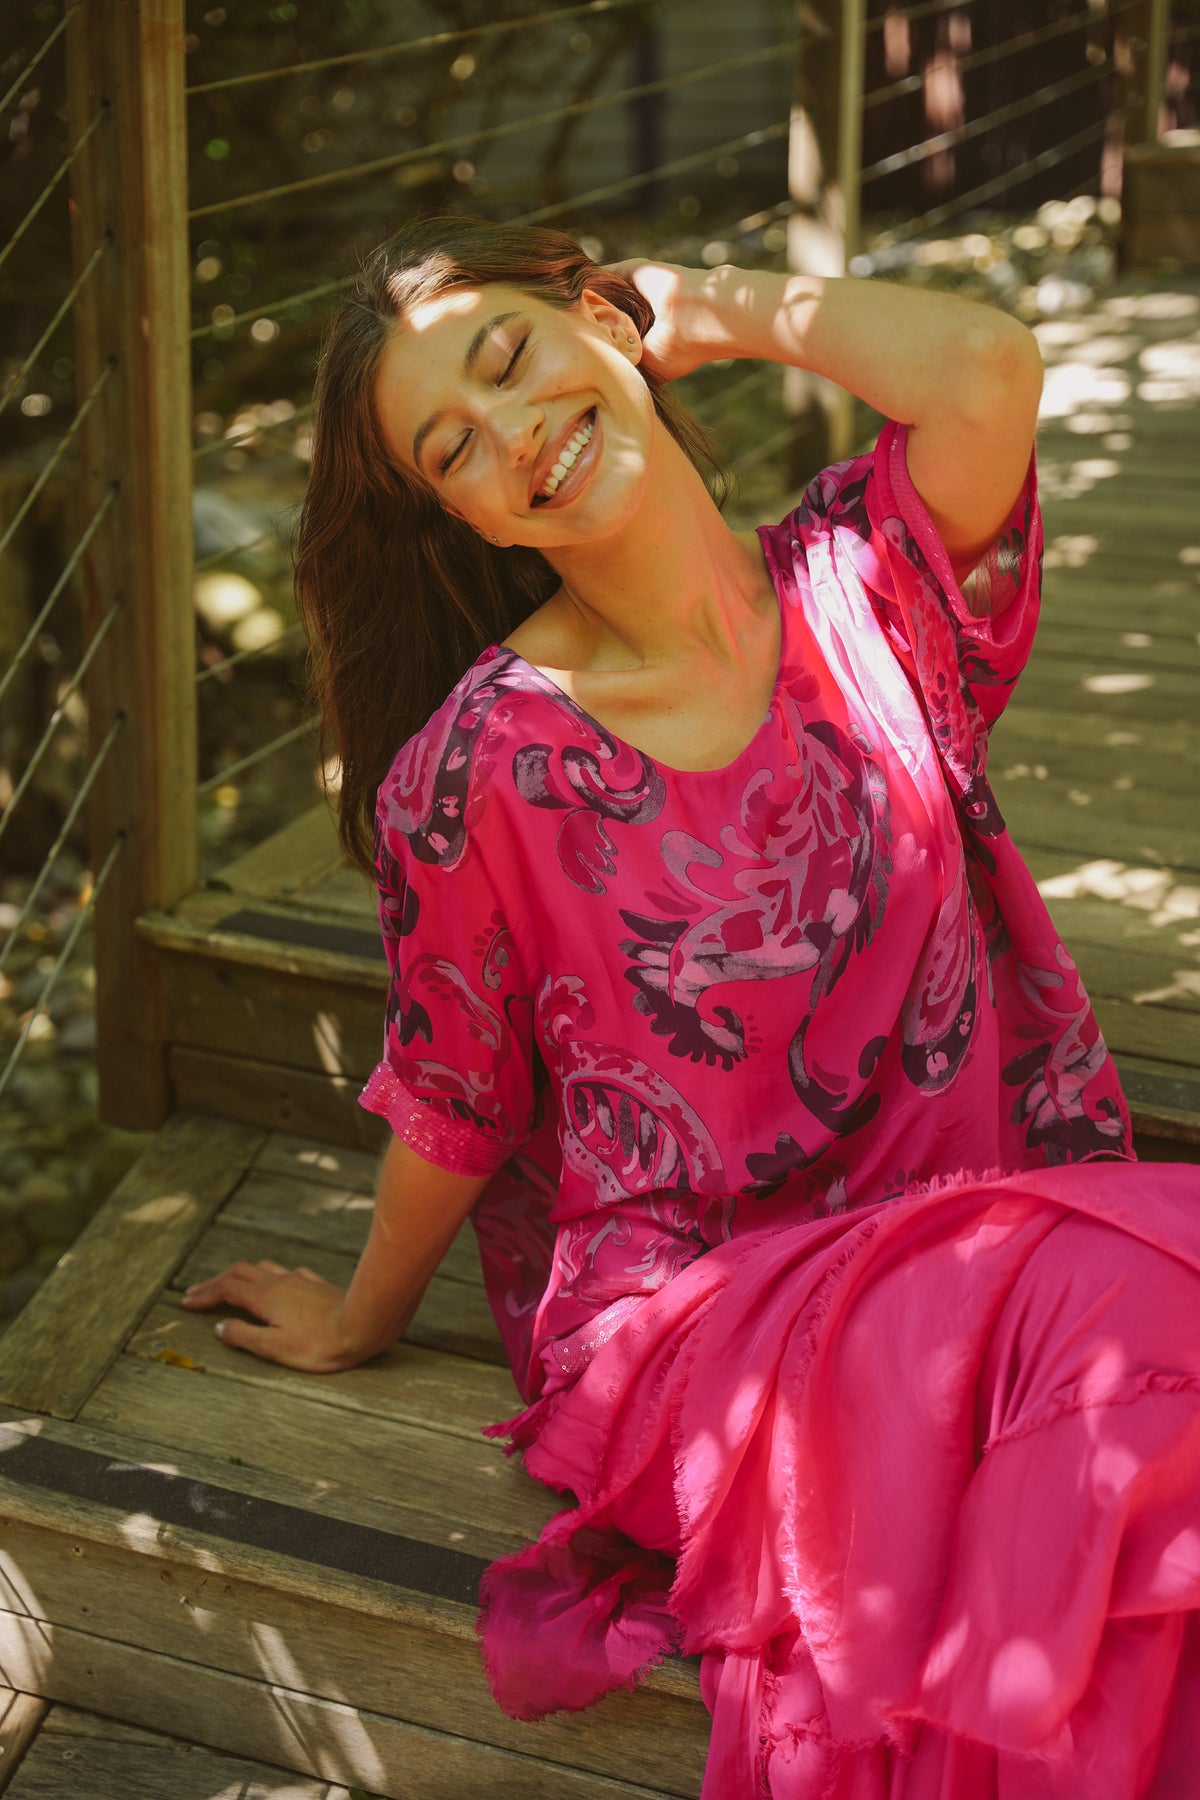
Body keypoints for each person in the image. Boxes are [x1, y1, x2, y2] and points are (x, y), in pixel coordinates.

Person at [182, 217, 1200, 1797]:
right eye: (454, 446)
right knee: (1149, 1321)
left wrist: (703, 307)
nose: (512, 433)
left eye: (511, 357)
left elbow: (987, 366)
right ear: (456, 510)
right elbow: (458, 1096)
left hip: (971, 1239)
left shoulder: (871, 586)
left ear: (605, 321)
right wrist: (361, 1318)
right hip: (701, 1330)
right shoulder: (480, 770)